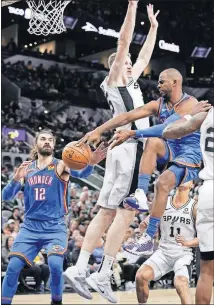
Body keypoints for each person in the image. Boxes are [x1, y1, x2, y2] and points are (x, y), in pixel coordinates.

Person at [64, 1, 159, 303]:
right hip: (129, 148)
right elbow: (124, 43)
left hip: (119, 149)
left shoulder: (131, 82)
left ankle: (80, 268)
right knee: (125, 212)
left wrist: (154, 28)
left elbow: (143, 54)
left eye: (131, 62)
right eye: (124, 61)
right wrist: (132, 7)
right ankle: (103, 274)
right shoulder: (116, 78)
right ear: (114, 65)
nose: (130, 62)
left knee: (106, 212)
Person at [79, 69, 211, 256]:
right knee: (152, 142)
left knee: (162, 183)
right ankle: (140, 193)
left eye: (161, 82)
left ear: (175, 83)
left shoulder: (192, 103)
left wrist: (132, 133)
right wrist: (99, 130)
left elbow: (168, 128)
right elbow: (127, 116)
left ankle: (148, 238)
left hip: (189, 153)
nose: (157, 85)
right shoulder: (159, 104)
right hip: (170, 149)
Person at [1, 129, 107, 305]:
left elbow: (81, 174)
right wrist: (15, 179)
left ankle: (56, 302)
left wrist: (91, 163)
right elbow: (5, 196)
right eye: (43, 139)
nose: (47, 142)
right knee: (13, 267)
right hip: (30, 228)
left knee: (56, 266)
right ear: (36, 143)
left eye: (50, 139)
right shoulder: (26, 169)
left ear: (54, 144)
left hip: (55, 226)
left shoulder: (61, 165)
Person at [163, 106, 214, 304]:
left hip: (208, 192)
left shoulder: (205, 115)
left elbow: (168, 131)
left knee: (207, 270)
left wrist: (189, 114)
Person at [135, 181, 198, 305]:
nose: (183, 179)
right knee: (140, 276)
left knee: (180, 284)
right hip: (163, 252)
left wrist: (188, 242)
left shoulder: (195, 207)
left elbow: (205, 237)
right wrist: (144, 227)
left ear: (192, 184)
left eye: (187, 178)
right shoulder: (163, 202)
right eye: (181, 177)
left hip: (183, 254)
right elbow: (149, 224)